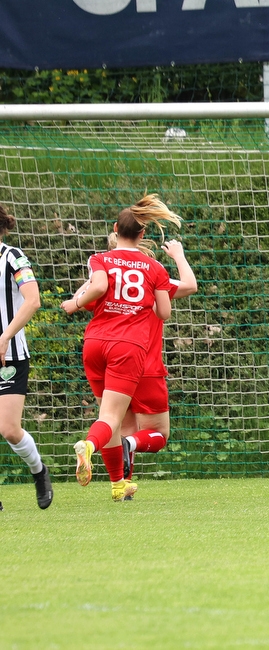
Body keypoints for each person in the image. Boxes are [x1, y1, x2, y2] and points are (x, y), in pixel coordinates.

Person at [61, 194, 181, 501]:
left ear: (116, 230)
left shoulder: (100, 259)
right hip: (127, 348)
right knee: (111, 420)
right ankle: (88, 445)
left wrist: (73, 304)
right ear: (142, 235)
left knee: (110, 416)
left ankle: (118, 485)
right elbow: (164, 313)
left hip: (94, 343)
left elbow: (98, 287)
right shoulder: (153, 267)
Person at [74, 237, 198, 482]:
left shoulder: (106, 277)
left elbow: (80, 297)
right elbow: (190, 285)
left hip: (113, 359)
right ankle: (127, 461)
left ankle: (121, 483)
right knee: (157, 434)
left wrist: (96, 275)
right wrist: (178, 255)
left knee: (116, 423)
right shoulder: (153, 276)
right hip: (146, 365)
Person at [0, 204, 52, 510]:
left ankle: (39, 471)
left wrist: (6, 335)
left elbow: (33, 301)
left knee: (8, 428)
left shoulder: (12, 256)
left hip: (11, 355)